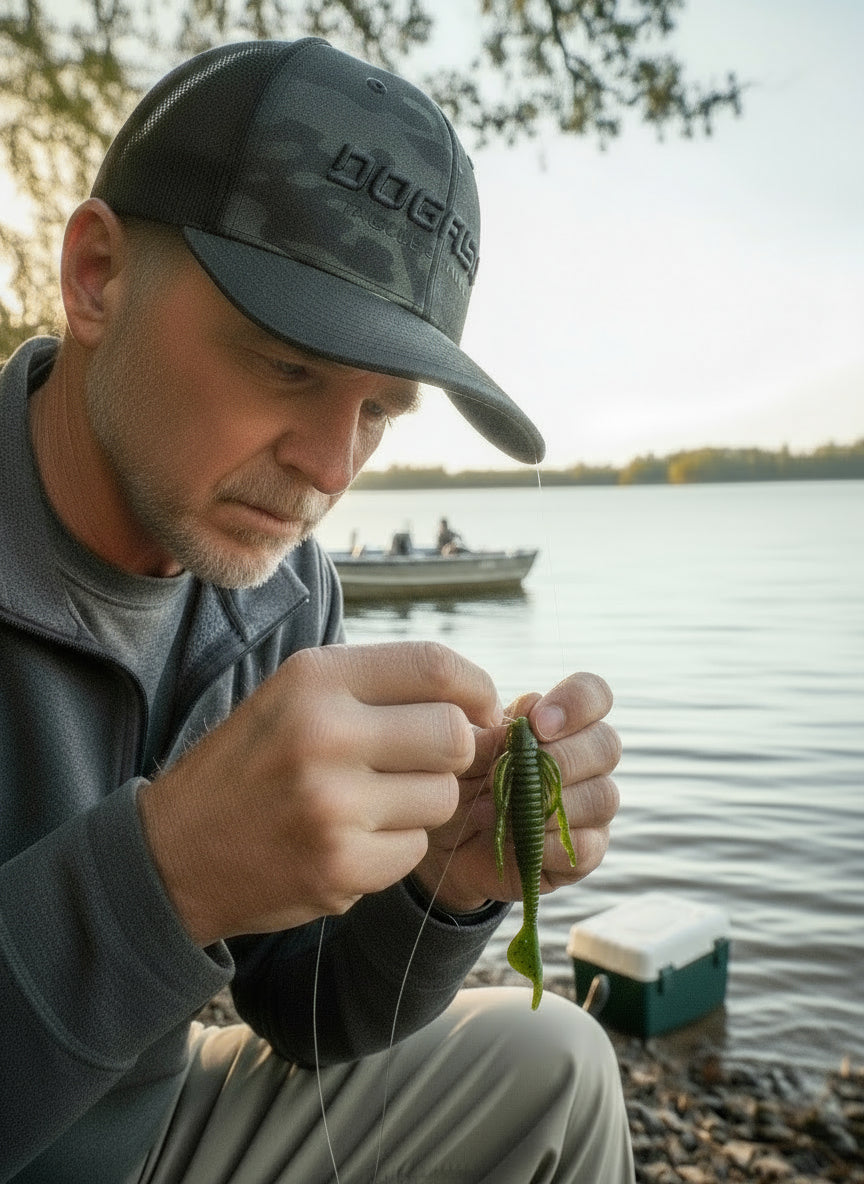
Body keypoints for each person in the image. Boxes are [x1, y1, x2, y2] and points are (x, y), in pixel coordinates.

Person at [0, 37, 635, 1184]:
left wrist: (447, 885)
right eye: (287, 366)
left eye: (381, 411)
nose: (332, 469)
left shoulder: (287, 596)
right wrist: (167, 874)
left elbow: (300, 1011)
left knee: (559, 1059)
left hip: (143, 1128)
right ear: (96, 274)